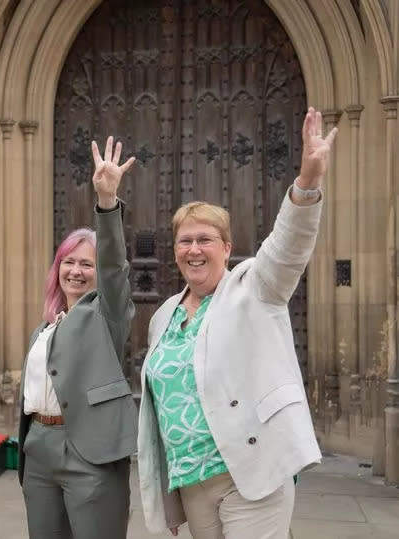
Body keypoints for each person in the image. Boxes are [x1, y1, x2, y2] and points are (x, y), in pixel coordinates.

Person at [136, 107, 338, 539]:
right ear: (174, 251)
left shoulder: (253, 289)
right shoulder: (163, 315)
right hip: (192, 484)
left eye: (205, 239)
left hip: (250, 473)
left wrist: (306, 183)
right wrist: (170, 499)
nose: (194, 249)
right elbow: (160, 412)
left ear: (227, 247)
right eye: (185, 241)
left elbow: (287, 249)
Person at [18, 136, 138, 538]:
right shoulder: (45, 327)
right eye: (67, 261)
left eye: (86, 264)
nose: (75, 270)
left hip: (88, 451)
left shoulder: (107, 315)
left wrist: (106, 202)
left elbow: (114, 270)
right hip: (38, 450)